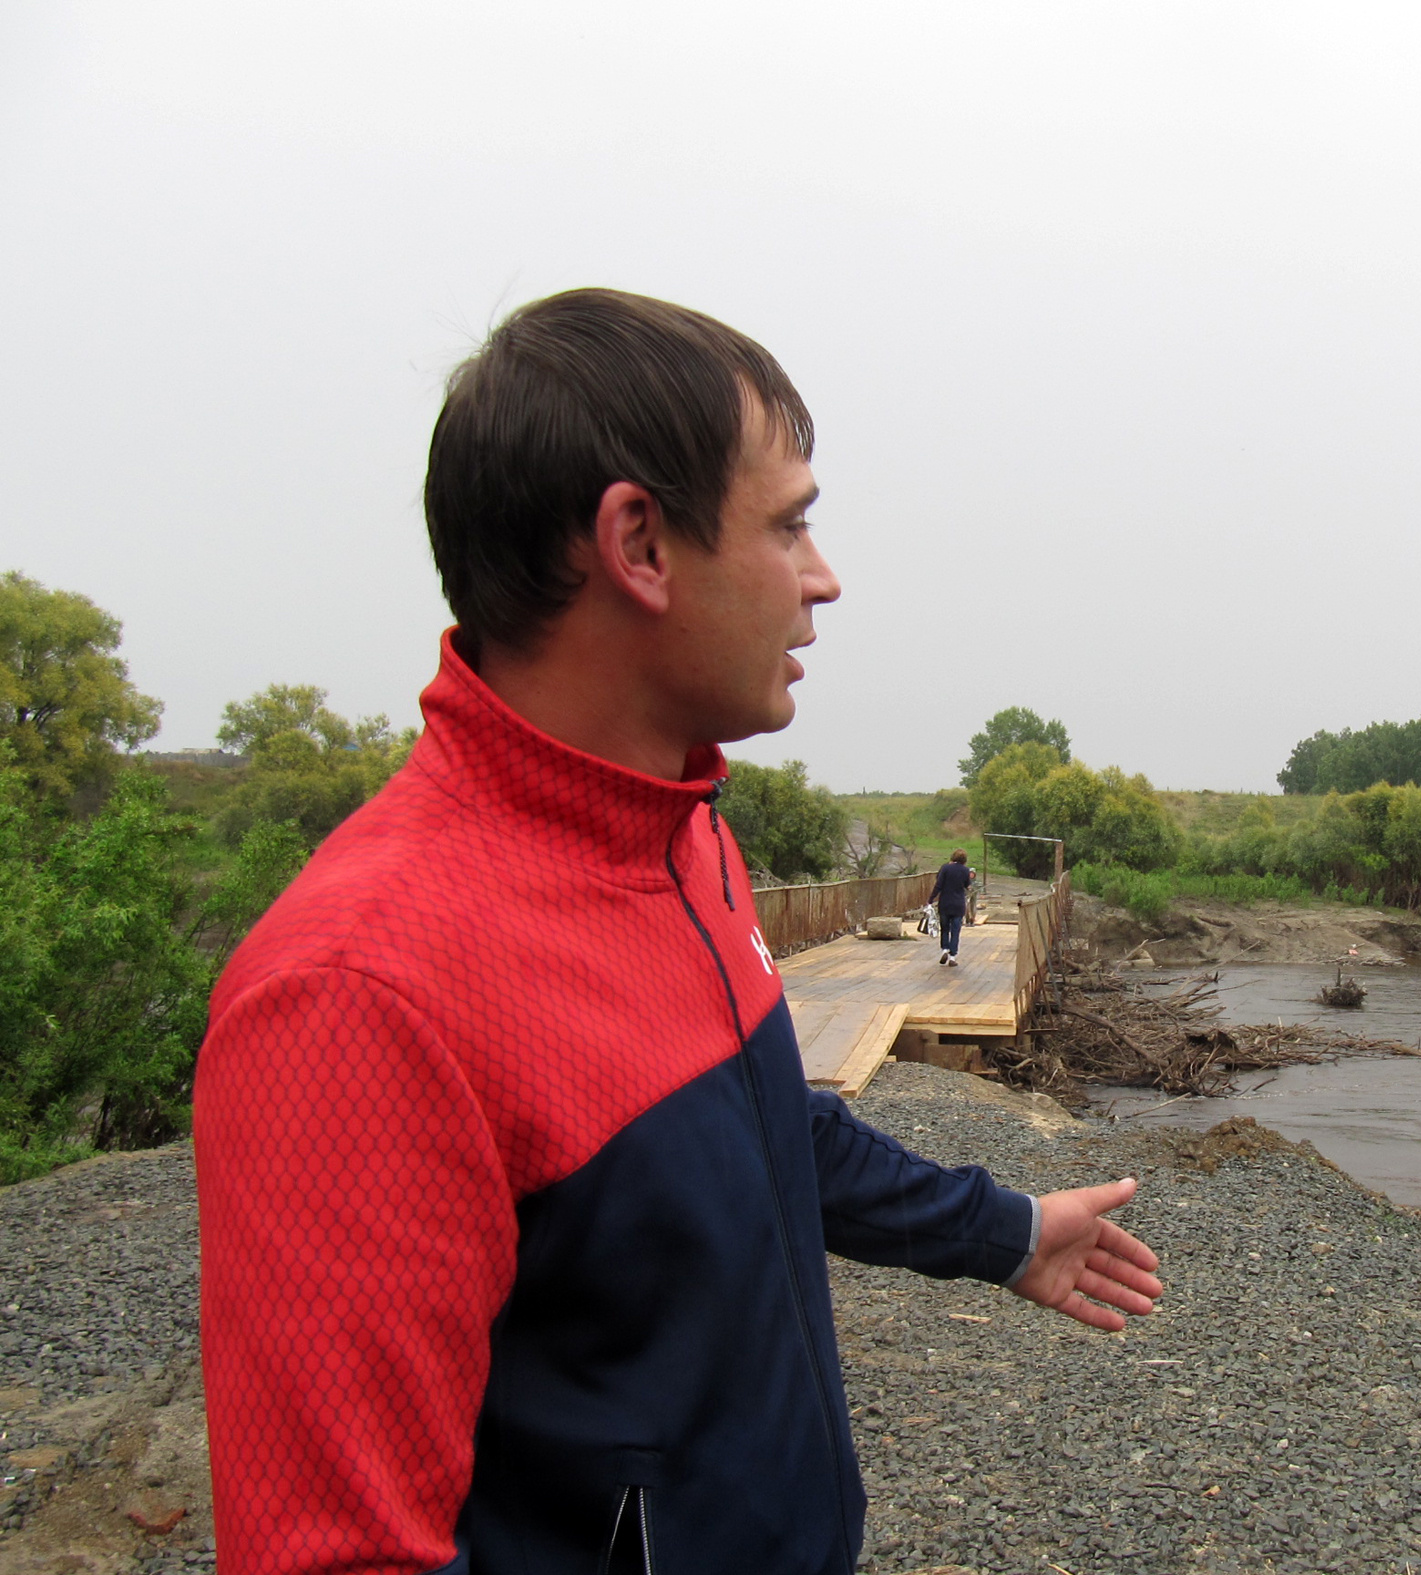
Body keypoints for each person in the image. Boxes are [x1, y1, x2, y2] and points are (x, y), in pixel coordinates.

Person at [194, 289, 1164, 1575]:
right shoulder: (362, 990)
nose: (825, 577)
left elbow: (769, 1127)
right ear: (638, 544)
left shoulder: (685, 838)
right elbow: (338, 1553)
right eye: (791, 523)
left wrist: (1000, 1230)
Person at [932, 848, 974, 964]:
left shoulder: (945, 868)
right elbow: (968, 886)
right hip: (958, 905)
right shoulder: (965, 870)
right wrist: (970, 888)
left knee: (945, 929)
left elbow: (938, 885)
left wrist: (930, 899)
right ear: (964, 859)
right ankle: (952, 957)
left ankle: (945, 949)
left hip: (945, 903)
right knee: (955, 931)